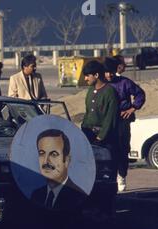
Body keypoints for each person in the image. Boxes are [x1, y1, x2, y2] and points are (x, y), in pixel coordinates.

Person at [81, 60, 119, 220]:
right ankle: (92, 206)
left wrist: (100, 137)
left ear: (96, 75)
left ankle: (106, 209)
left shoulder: (109, 92)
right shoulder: (90, 91)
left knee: (106, 176)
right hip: (89, 137)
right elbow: (88, 114)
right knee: (89, 175)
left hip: (104, 140)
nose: (86, 79)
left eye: (88, 76)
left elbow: (110, 118)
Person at [104, 57, 146, 192]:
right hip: (107, 123)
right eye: (106, 72)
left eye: (111, 71)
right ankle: (109, 178)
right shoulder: (101, 85)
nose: (108, 75)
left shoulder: (125, 83)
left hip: (122, 122)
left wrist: (132, 108)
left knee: (122, 150)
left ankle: (121, 176)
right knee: (108, 151)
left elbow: (140, 94)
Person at [31, 129, 87, 211]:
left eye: (54, 154)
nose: (46, 161)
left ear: (67, 160)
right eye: (42, 153)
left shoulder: (78, 198)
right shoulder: (36, 195)